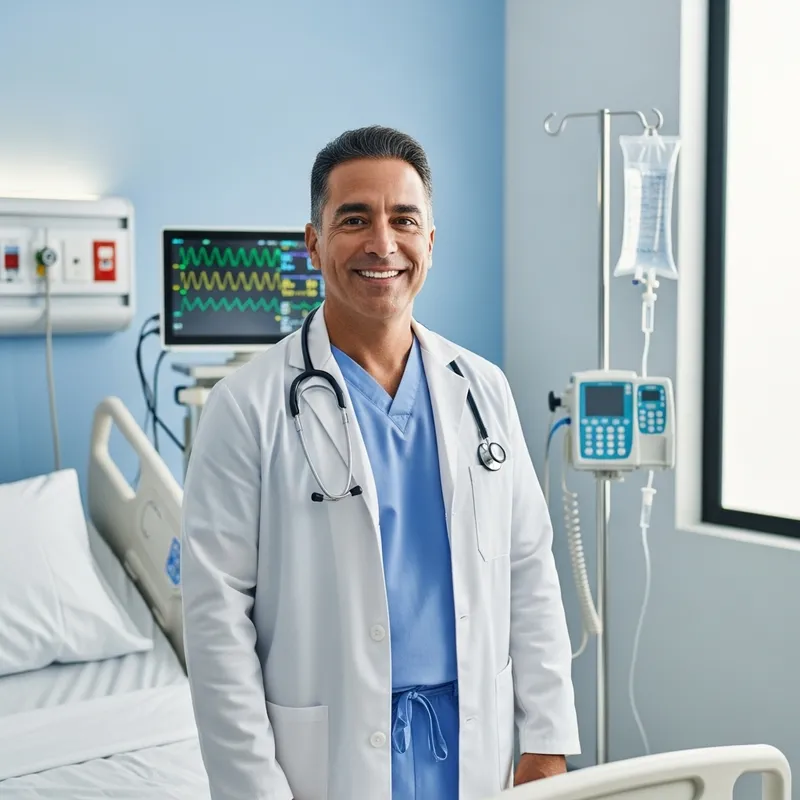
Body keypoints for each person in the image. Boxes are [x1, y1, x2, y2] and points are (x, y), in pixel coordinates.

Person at [181, 125, 580, 800]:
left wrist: (546, 740)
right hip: (327, 757)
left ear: (431, 242)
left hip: (470, 744)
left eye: (404, 219)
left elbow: (528, 568)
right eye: (354, 219)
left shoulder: (482, 389)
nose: (382, 243)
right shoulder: (247, 406)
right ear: (313, 244)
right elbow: (216, 622)